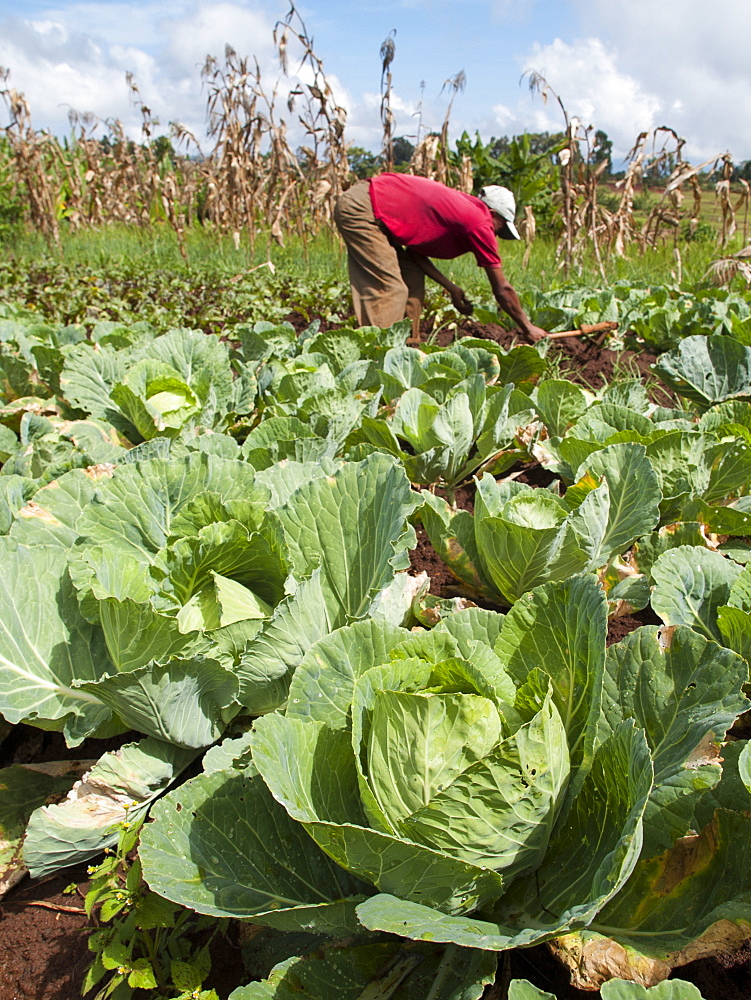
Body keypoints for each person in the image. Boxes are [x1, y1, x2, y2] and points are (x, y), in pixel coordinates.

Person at [333, 172, 549, 342]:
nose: (495, 235)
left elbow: (415, 255)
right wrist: (527, 327)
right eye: (499, 229)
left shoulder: (461, 212)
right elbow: (502, 289)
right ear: (492, 214)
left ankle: (409, 348)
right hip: (364, 209)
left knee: (412, 277)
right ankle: (377, 356)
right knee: (389, 288)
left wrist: (452, 288)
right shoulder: (478, 221)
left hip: (376, 207)